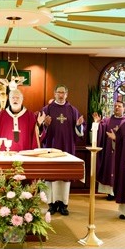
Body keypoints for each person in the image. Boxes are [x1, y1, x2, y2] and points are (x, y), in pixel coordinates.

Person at [40, 84, 85, 216]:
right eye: (58, 92)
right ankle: (51, 204)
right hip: (51, 148)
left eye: (63, 93)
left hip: (67, 149)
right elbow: (39, 130)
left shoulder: (73, 110)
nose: (60, 95)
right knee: (51, 177)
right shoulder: (47, 109)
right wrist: (45, 125)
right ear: (54, 93)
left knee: (64, 178)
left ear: (66, 94)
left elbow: (80, 132)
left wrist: (78, 125)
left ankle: (63, 204)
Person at [93, 100, 125, 201]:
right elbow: (100, 131)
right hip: (109, 151)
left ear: (124, 108)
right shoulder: (107, 121)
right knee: (110, 168)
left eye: (119, 106)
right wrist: (98, 123)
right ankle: (110, 193)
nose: (117, 108)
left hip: (121, 152)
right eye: (115, 106)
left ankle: (119, 191)